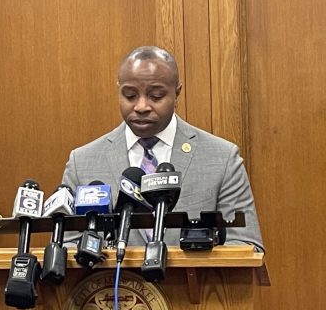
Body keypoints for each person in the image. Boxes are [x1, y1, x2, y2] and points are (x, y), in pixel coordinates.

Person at [62, 45, 263, 251]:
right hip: (113, 283)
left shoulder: (222, 158)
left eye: (156, 96)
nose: (141, 106)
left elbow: (247, 245)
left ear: (177, 94)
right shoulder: (82, 162)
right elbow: (66, 247)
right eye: (130, 95)